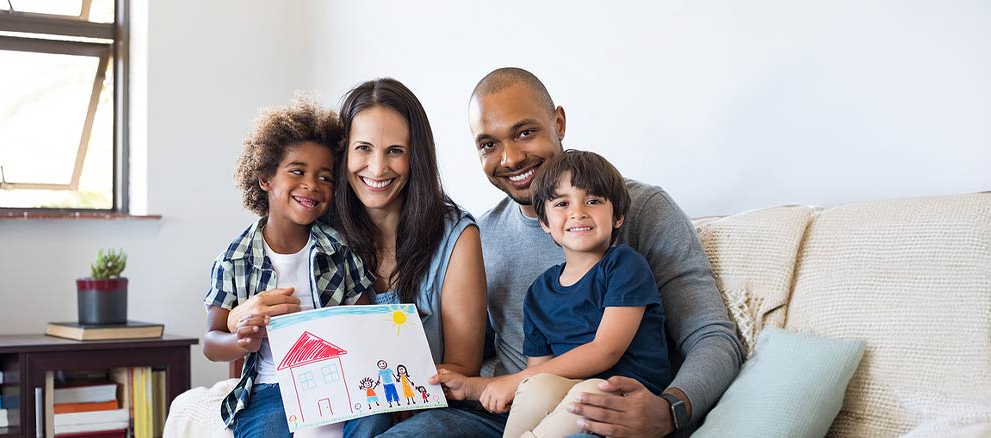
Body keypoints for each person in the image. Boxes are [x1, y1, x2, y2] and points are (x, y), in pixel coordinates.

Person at [381, 68, 743, 437]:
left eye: (525, 132)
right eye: (489, 144)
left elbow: (713, 337)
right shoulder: (480, 234)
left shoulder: (642, 209)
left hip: (602, 408)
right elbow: (481, 346)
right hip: (510, 409)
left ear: (558, 123)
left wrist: (670, 409)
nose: (510, 158)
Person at [201, 98, 374, 438]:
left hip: (339, 380)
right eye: (297, 171)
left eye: (325, 177)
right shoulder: (234, 259)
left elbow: (366, 320)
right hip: (271, 386)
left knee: (374, 419)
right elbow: (210, 341)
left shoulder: (340, 250)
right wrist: (241, 341)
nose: (312, 184)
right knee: (265, 429)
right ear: (266, 177)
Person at [499, 149, 672, 438]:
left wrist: (517, 378)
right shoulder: (539, 292)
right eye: (562, 203)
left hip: (625, 393)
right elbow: (539, 371)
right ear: (544, 223)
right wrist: (523, 382)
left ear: (618, 216)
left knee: (586, 392)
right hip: (569, 390)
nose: (578, 212)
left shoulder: (624, 265)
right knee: (536, 387)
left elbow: (606, 350)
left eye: (592, 201)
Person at [332, 77, 487, 382]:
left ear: (416, 156)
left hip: (429, 399)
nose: (378, 168)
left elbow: (463, 366)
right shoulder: (320, 231)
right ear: (342, 152)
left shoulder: (457, 237)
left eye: (395, 151)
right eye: (363, 148)